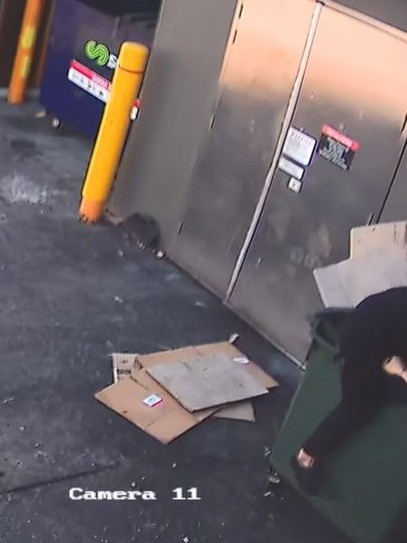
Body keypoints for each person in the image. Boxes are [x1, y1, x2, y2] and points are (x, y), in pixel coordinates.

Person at [292, 287, 407, 495]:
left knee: (381, 395)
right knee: (358, 406)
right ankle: (305, 456)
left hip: (375, 332)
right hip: (364, 341)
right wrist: (399, 371)